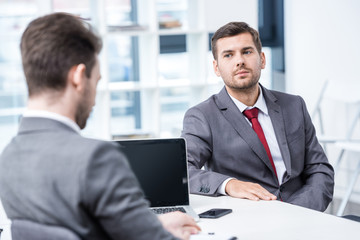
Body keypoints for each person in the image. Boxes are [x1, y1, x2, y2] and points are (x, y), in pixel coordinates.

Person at [0, 12, 200, 240]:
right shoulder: (95, 158)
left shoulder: (10, 156)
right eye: (96, 81)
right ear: (78, 77)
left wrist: (151, 224)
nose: (94, 99)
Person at [181, 21, 334, 212]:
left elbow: (320, 169)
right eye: (228, 55)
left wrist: (301, 210)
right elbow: (182, 172)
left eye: (247, 52)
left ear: (262, 59)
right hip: (250, 219)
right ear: (216, 68)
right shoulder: (202, 116)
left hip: (305, 212)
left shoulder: (294, 105)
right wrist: (229, 184)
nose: (239, 61)